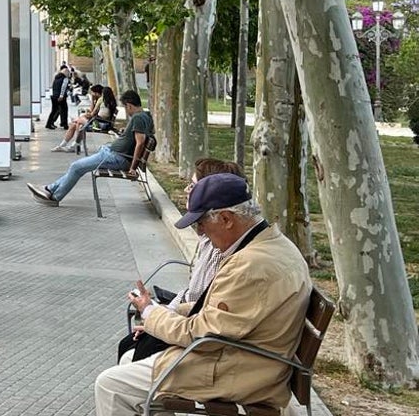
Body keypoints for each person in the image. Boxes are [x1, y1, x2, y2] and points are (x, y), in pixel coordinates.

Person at [94, 173, 311, 416]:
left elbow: (202, 335)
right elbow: (224, 315)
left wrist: (151, 313)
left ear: (227, 218)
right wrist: (168, 312)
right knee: (129, 360)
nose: (200, 232)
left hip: (240, 372)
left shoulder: (250, 266)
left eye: (202, 223)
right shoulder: (272, 245)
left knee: (111, 385)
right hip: (250, 359)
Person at [116, 157, 243, 363]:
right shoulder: (211, 238)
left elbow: (202, 309)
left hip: (200, 338)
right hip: (191, 325)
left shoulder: (222, 248)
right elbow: (192, 299)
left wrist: (155, 315)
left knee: (119, 372)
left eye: (192, 186)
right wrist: (157, 314)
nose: (186, 190)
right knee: (129, 344)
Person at [28, 89, 152, 205]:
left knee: (76, 167)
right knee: (79, 166)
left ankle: (54, 197)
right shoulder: (146, 115)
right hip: (113, 153)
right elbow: (141, 137)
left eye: (126, 107)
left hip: (118, 158)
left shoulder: (138, 118)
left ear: (129, 105)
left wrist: (133, 167)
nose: (126, 110)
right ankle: (49, 189)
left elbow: (140, 143)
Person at [53, 84, 116, 152]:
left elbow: (92, 113)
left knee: (78, 123)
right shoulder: (111, 102)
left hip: (99, 123)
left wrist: (92, 101)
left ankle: (72, 145)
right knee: (75, 124)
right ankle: (69, 145)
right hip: (102, 122)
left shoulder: (101, 100)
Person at [44, 65, 71, 130]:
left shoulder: (56, 78)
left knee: (54, 110)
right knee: (64, 110)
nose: (69, 74)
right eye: (68, 73)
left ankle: (49, 123)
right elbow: (63, 87)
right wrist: (61, 96)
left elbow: (54, 87)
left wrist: (55, 94)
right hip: (61, 97)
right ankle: (64, 124)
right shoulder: (65, 79)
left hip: (54, 96)